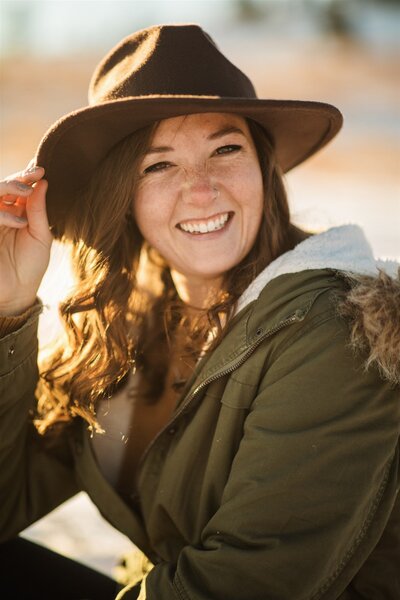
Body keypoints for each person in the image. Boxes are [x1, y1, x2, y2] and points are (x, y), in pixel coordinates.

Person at [0, 23, 399, 600]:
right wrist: (9, 312)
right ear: (122, 196)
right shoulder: (124, 325)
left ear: (263, 168)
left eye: (225, 149)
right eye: (158, 165)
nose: (203, 190)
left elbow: (244, 582)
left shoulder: (334, 329)